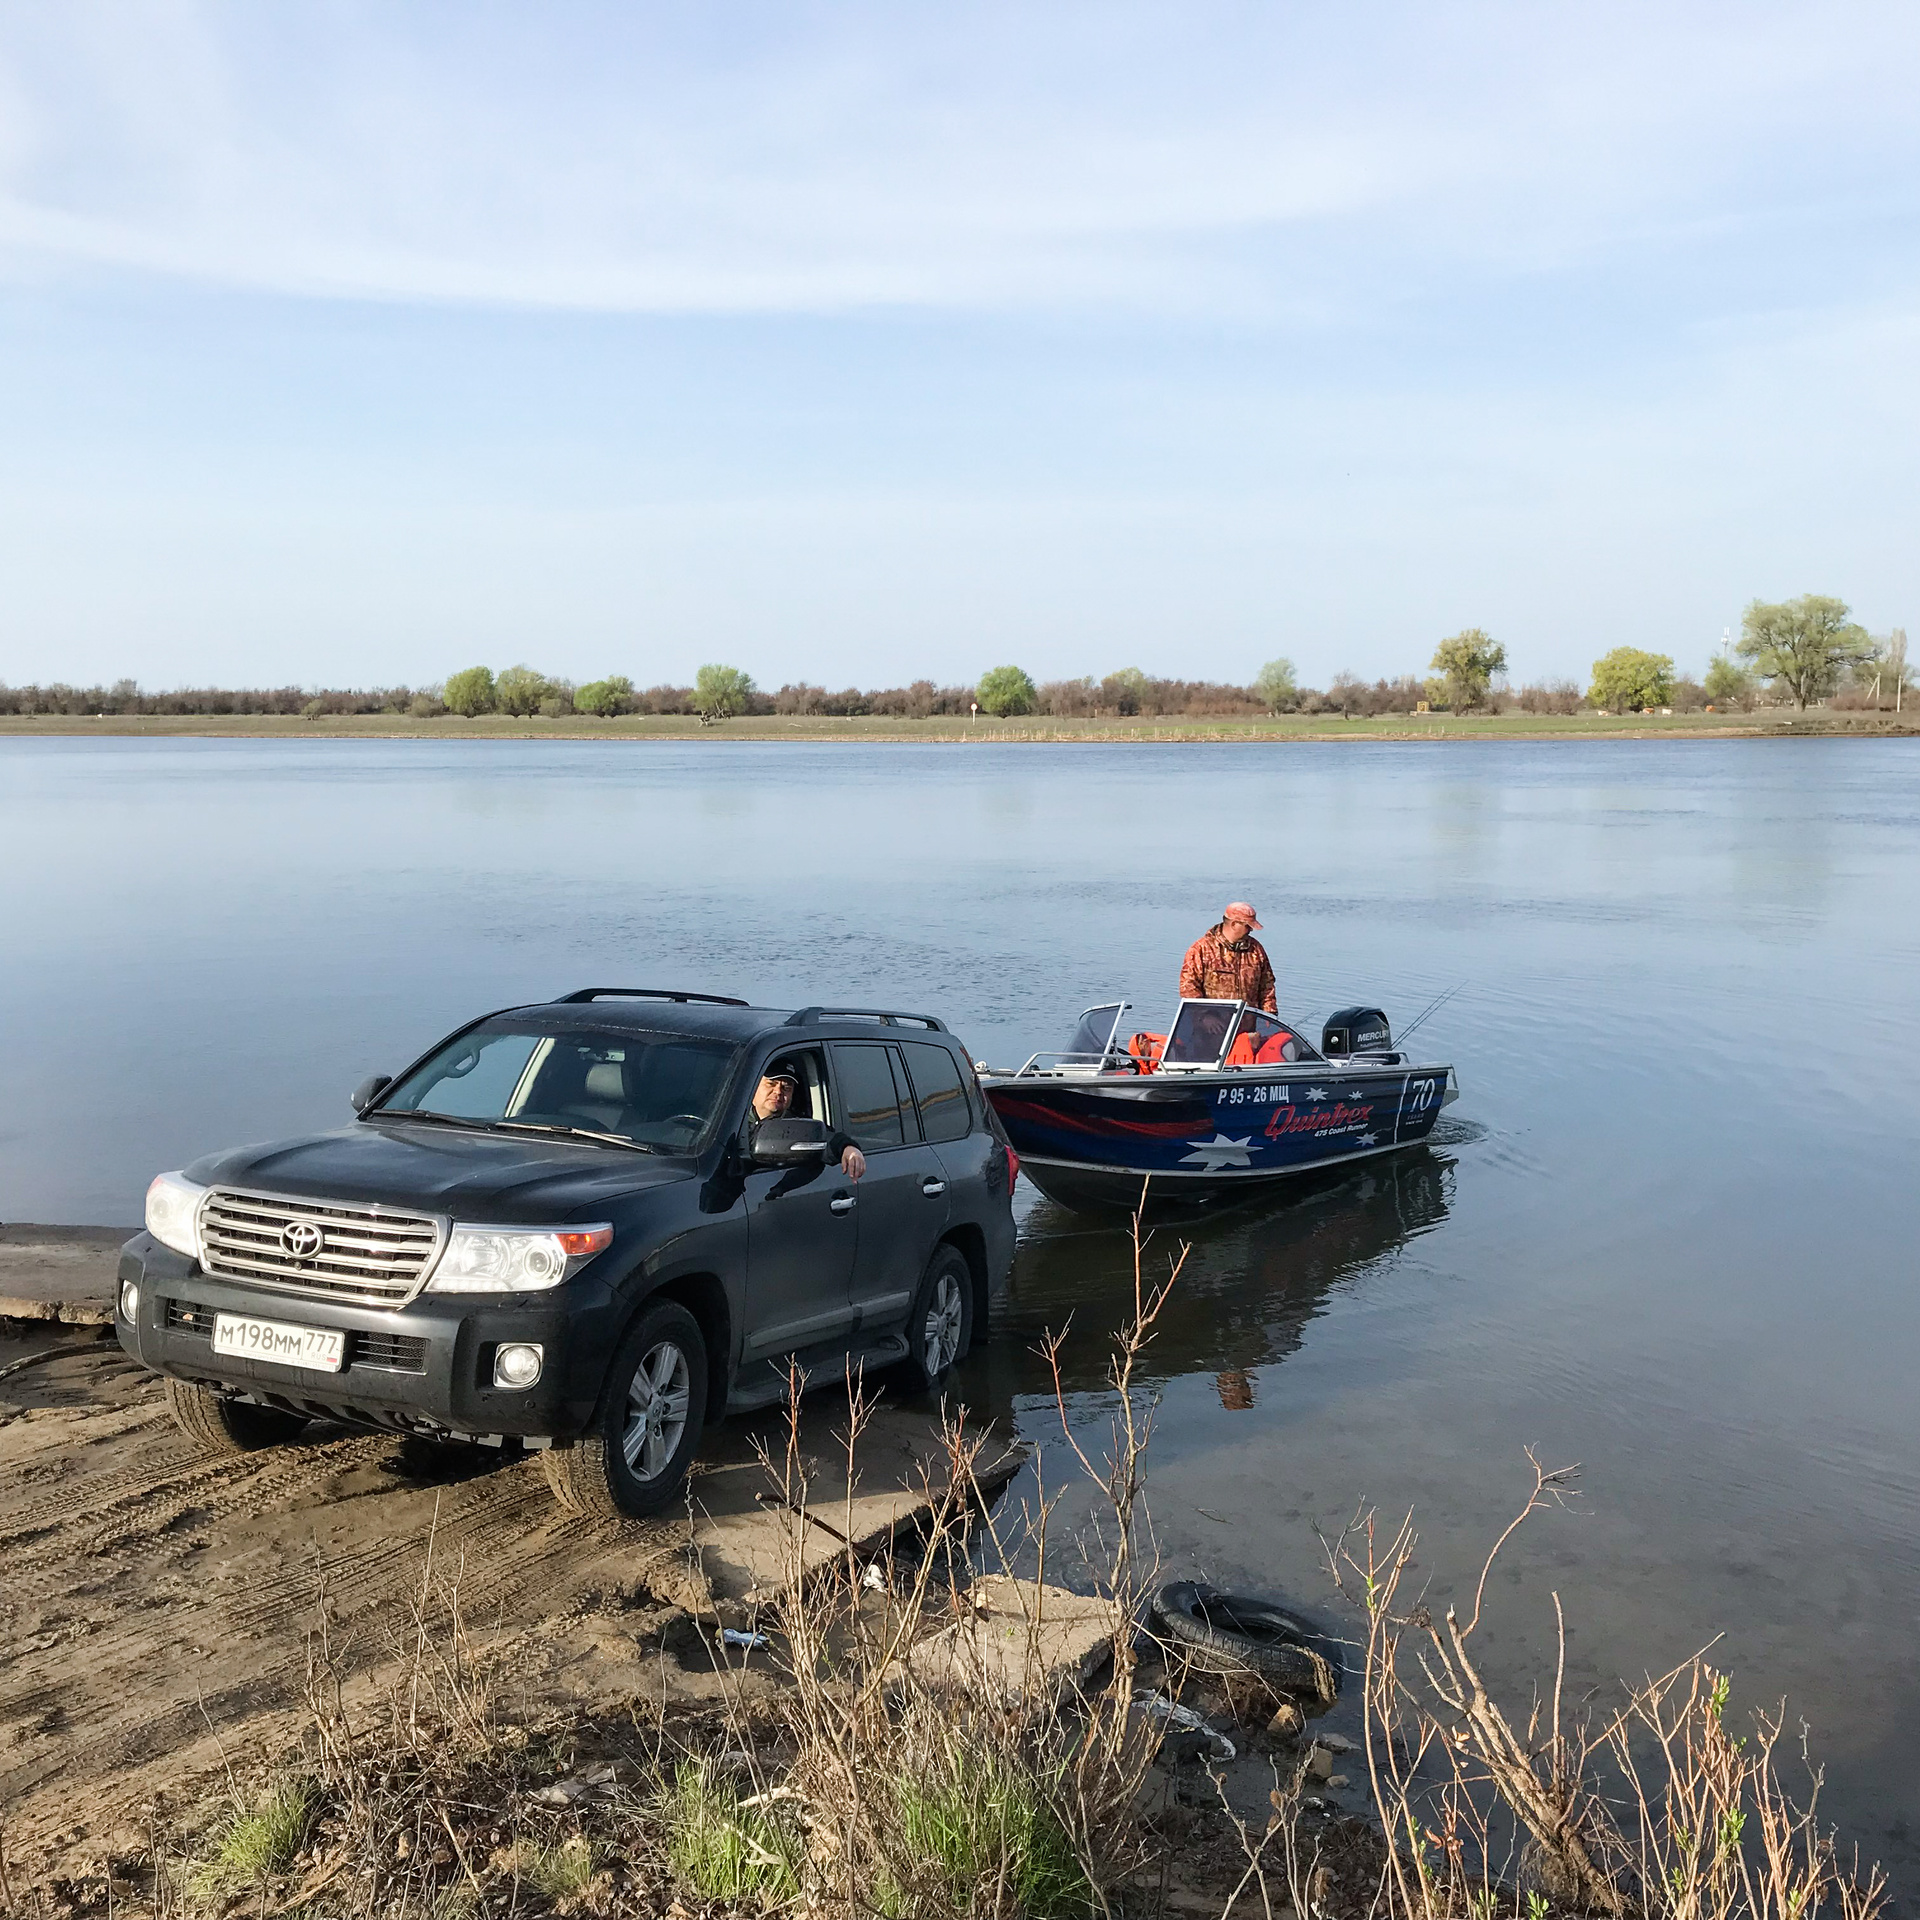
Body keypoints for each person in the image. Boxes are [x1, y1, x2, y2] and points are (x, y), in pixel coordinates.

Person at [747, 1066, 867, 1179]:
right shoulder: (733, 1120)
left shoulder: (795, 1127)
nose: (778, 1092)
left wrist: (847, 1148)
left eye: (787, 1088)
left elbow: (825, 1139)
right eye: (771, 1084)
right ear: (754, 1088)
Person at [1179, 901, 1277, 1013]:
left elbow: (1267, 986)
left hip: (1248, 1025)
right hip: (1211, 1025)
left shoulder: (1256, 950)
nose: (1251, 929)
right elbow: (1189, 988)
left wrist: (1269, 1015)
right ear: (1234, 924)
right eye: (1247, 926)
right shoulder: (1201, 949)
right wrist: (1204, 1017)